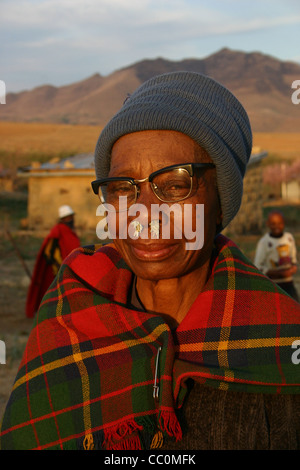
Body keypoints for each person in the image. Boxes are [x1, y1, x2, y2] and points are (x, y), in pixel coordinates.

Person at [1, 72, 300, 451]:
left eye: (175, 185)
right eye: (124, 188)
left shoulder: (279, 345)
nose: (144, 213)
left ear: (221, 204)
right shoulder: (68, 321)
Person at [25, 204, 80, 318]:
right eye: (68, 217)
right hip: (57, 267)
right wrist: (58, 264)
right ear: (63, 218)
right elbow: (49, 250)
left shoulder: (68, 230)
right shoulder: (58, 230)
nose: (71, 219)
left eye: (71, 217)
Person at [254, 210, 299, 302]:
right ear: (268, 224)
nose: (277, 226)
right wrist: (278, 273)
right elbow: (258, 266)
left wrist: (293, 267)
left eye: (279, 223)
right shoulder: (264, 242)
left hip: (288, 283)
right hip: (273, 285)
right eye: (273, 224)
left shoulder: (289, 238)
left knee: (295, 308)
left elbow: (293, 258)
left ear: (284, 223)